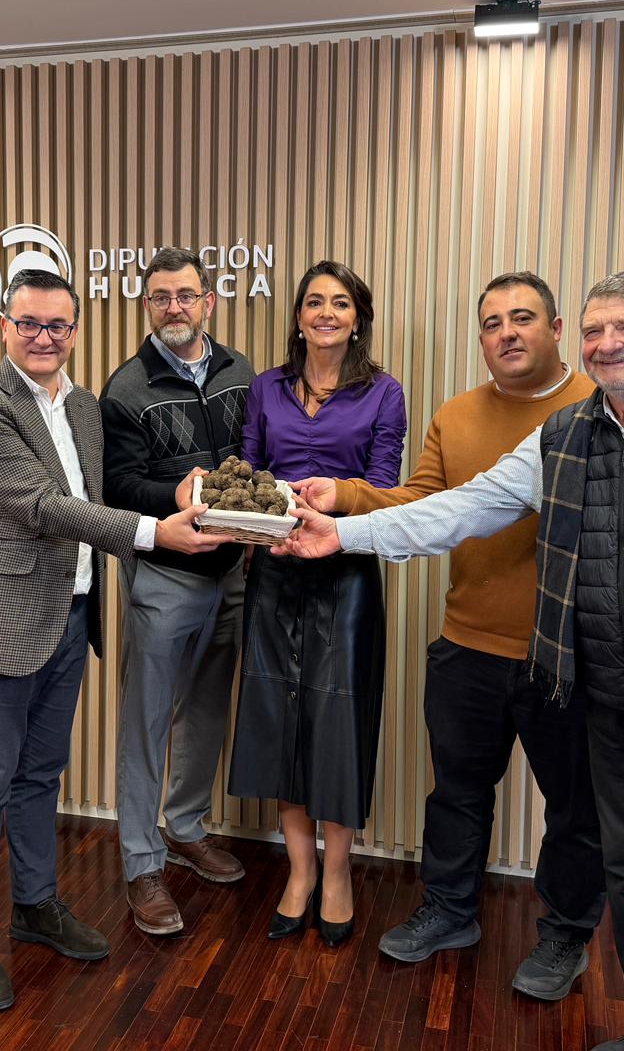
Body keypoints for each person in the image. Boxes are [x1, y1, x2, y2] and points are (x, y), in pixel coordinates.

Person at [280, 269, 624, 1051]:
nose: (610, 344)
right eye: (598, 330)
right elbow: (461, 508)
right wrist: (341, 534)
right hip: (612, 703)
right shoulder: (563, 435)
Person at [295, 271, 604, 1000]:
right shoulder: (458, 414)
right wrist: (344, 498)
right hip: (467, 643)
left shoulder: (599, 410)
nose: (507, 333)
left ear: (556, 329)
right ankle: (450, 910)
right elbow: (423, 505)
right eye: (492, 322)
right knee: (457, 793)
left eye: (523, 318)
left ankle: (564, 935)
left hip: (568, 654)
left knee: (575, 807)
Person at [0, 268, 229, 1012]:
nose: (44, 338)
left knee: (41, 776)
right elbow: (46, 507)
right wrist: (156, 534)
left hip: (70, 618)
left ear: (75, 331)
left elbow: (105, 496)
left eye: (58, 326)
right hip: (1, 622)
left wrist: (185, 505)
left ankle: (35, 907)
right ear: (4, 325)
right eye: (29, 323)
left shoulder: (87, 407)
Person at [227, 260, 406, 947]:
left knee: (338, 724)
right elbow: (246, 468)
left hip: (345, 575)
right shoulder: (265, 388)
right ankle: (297, 871)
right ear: (298, 317)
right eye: (313, 302)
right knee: (280, 719)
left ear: (357, 317)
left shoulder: (383, 393)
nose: (325, 313)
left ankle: (337, 873)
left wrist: (329, 499)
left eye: (339, 303)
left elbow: (384, 488)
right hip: (273, 571)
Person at [100, 248, 255, 935]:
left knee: (208, 711)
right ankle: (140, 862)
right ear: (146, 306)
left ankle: (186, 826)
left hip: (234, 572)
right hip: (166, 576)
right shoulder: (126, 389)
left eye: (186, 295)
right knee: (147, 721)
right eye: (161, 297)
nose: (175, 308)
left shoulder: (241, 372)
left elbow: (260, 455)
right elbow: (117, 489)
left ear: (209, 302)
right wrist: (176, 495)